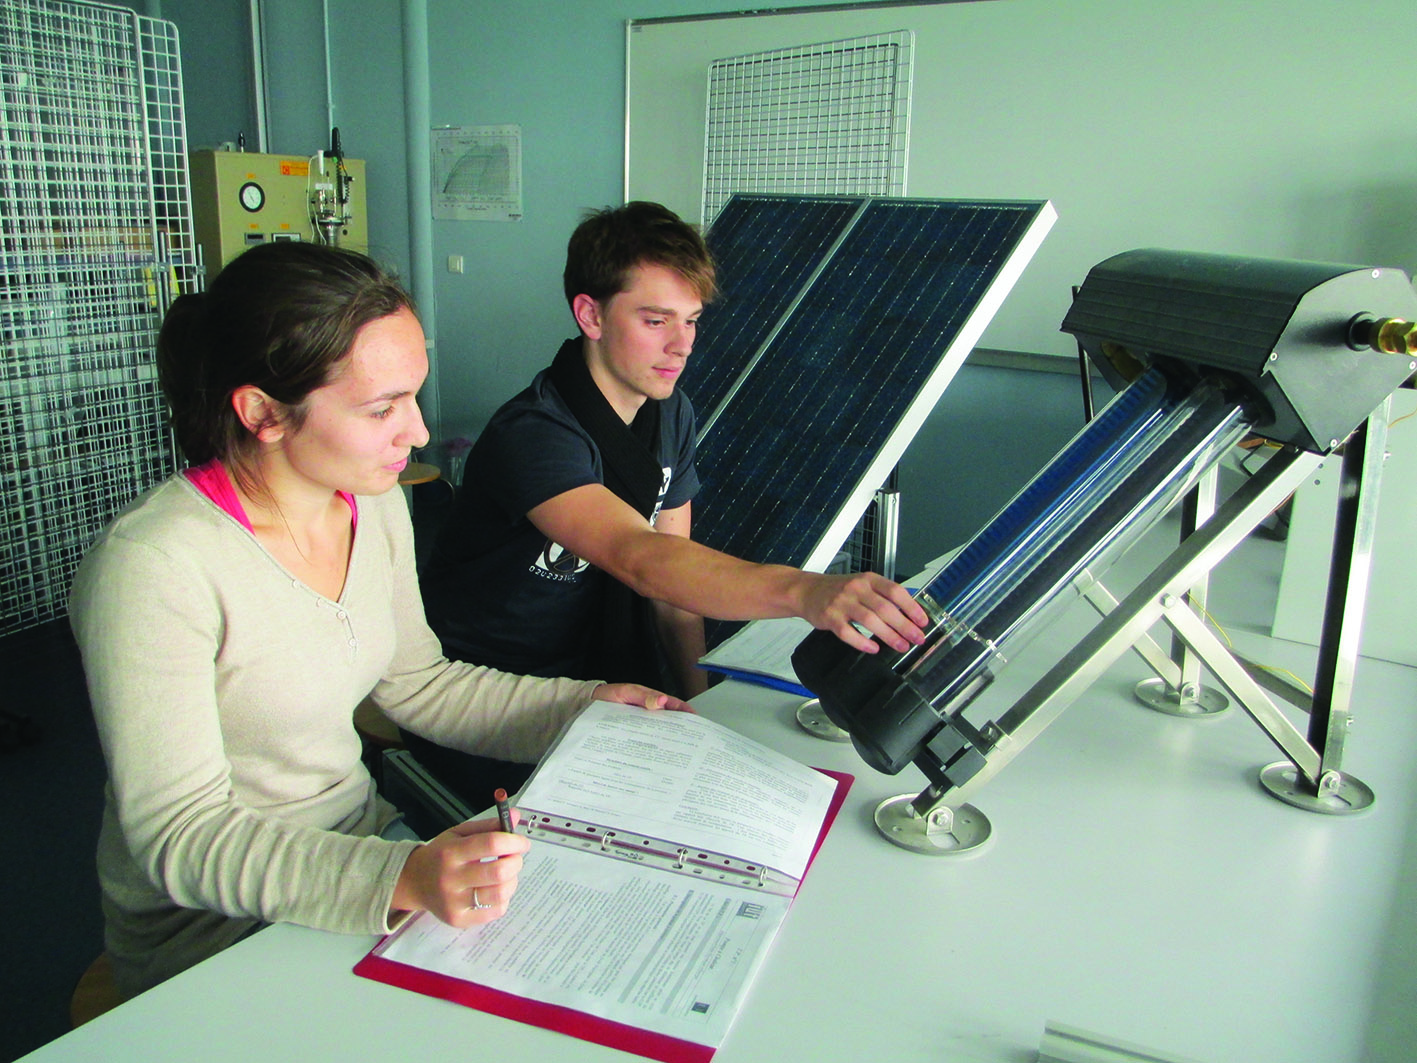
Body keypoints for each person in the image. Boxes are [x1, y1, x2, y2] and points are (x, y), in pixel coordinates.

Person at [68, 241, 684, 999]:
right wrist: (399, 872)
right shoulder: (154, 565)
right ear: (262, 412)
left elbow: (418, 685)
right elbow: (181, 837)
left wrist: (583, 706)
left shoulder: (375, 503)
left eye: (413, 396)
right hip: (212, 924)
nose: (419, 432)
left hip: (364, 847)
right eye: (381, 407)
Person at [414, 202, 928, 799]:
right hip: (497, 696)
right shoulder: (534, 435)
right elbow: (642, 559)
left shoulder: (670, 414)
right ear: (591, 315)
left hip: (601, 679)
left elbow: (674, 590)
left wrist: (704, 712)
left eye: (692, 321)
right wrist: (807, 590)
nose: (681, 346)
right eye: (656, 321)